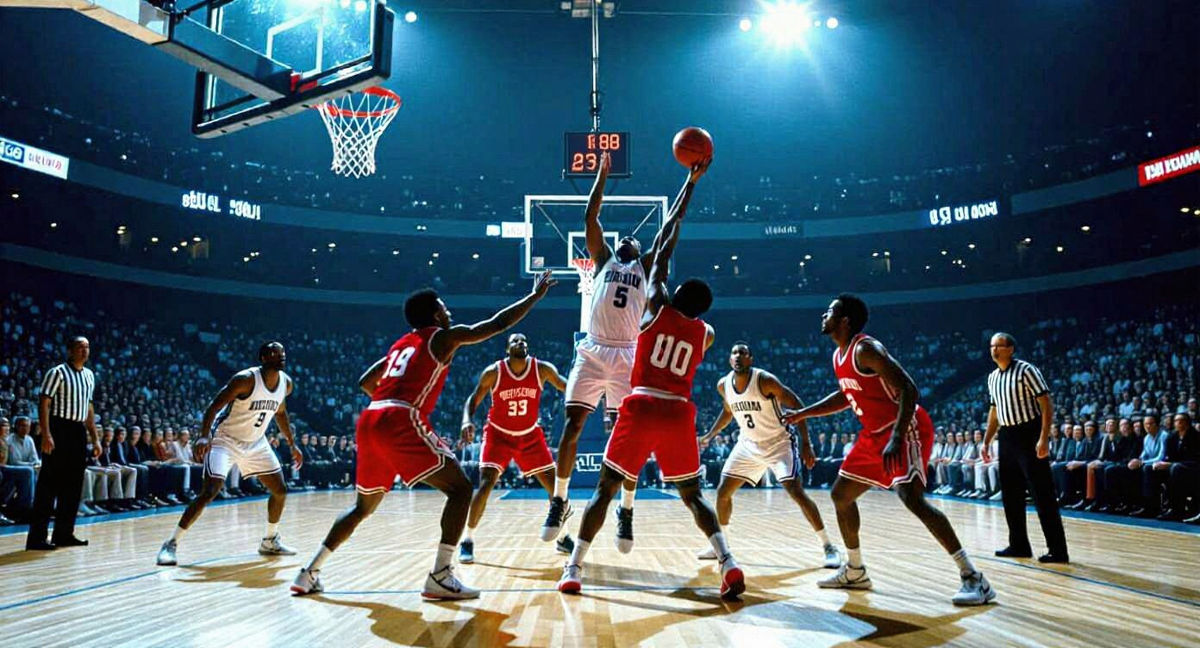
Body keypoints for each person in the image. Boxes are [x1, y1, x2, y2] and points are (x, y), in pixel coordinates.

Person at [292, 272, 557, 600]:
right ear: (434, 314)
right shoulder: (441, 337)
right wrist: (534, 296)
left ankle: (309, 572)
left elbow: (365, 382)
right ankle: (441, 575)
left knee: (362, 507)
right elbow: (497, 324)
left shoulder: (400, 345)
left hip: (370, 419)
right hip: (400, 418)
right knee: (461, 489)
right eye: (444, 308)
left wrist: (392, 406)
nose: (449, 312)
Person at [557, 158, 746, 601]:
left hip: (642, 403)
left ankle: (574, 567)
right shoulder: (705, 333)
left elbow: (667, 235)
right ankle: (728, 561)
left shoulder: (657, 301)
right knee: (693, 495)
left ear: (675, 292)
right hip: (679, 411)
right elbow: (666, 234)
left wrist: (689, 183)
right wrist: (691, 182)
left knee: (604, 489)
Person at [783, 295, 994, 606]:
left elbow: (909, 388)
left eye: (830, 311)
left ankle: (974, 577)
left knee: (912, 498)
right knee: (841, 495)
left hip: (904, 426)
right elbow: (846, 395)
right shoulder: (839, 356)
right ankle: (855, 570)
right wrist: (804, 414)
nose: (823, 315)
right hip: (874, 434)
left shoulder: (866, 349)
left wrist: (897, 436)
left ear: (845, 321)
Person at [543, 152, 702, 551]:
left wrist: (689, 184)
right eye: (624, 239)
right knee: (572, 426)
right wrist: (600, 176)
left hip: (629, 355)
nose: (629, 239)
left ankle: (626, 508)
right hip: (593, 349)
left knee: (625, 437)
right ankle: (559, 501)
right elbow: (590, 217)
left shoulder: (646, 268)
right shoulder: (602, 262)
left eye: (635, 239)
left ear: (641, 248)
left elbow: (670, 227)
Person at [156, 342, 303, 566]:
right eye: (275, 353)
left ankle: (270, 540)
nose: (281, 356)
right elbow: (214, 407)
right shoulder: (245, 379)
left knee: (280, 491)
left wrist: (293, 444)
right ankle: (171, 543)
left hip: (256, 442)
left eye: (283, 353)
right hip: (226, 440)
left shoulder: (286, 383)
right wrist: (204, 436)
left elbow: (281, 413)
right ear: (263, 358)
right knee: (210, 491)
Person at [696, 342, 840, 567]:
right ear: (729, 359)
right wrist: (710, 435)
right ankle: (721, 546)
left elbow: (797, 403)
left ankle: (828, 546)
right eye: (734, 352)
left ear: (750, 359)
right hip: (748, 445)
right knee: (723, 492)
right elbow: (727, 412)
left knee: (796, 492)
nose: (738, 356)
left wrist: (806, 443)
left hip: (778, 443)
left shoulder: (764, 380)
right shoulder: (723, 385)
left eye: (743, 352)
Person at [459, 333, 572, 563]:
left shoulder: (542, 369)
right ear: (507, 349)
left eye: (524, 340)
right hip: (498, 434)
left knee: (556, 489)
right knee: (486, 484)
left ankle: (563, 536)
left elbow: (565, 385)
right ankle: (467, 539)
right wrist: (466, 420)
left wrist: (590, 389)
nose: (521, 343)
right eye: (516, 341)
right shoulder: (494, 371)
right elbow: (473, 398)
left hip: (530, 435)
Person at [980, 332, 1068, 563]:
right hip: (1007, 436)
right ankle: (1019, 544)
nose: (994, 350)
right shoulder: (992, 378)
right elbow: (994, 411)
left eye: (999, 346)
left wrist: (1043, 437)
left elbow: (1046, 403)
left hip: (1029, 433)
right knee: (1011, 494)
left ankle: (1058, 550)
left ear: (1010, 348)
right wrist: (987, 440)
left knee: (1042, 493)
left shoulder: (1027, 370)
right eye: (992, 346)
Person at [27, 335, 101, 551]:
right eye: (80, 347)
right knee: (48, 485)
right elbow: (44, 403)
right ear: (70, 350)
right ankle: (37, 538)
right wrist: (46, 434)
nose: (84, 351)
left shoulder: (89, 375)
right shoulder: (57, 372)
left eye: (87, 347)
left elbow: (89, 409)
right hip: (58, 428)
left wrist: (95, 438)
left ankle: (64, 533)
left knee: (73, 486)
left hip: (78, 431)